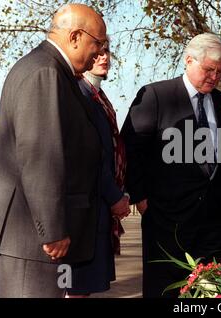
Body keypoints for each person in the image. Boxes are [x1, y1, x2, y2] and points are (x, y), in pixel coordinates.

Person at [0, 4, 107, 298]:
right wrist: (53, 229)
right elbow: (40, 156)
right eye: (98, 43)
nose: (99, 52)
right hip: (34, 239)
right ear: (76, 36)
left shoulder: (51, 70)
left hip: (36, 238)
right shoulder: (45, 72)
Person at [121, 33, 221, 298]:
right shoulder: (156, 95)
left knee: (211, 291)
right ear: (188, 60)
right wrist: (139, 196)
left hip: (215, 220)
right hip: (167, 218)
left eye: (219, 72)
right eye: (208, 69)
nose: (214, 77)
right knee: (165, 290)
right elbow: (131, 147)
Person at [66, 44, 131, 297]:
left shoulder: (99, 95)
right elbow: (90, 155)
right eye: (98, 51)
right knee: (74, 288)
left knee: (85, 288)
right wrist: (115, 196)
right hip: (85, 208)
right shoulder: (79, 93)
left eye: (107, 52)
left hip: (99, 207)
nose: (104, 57)